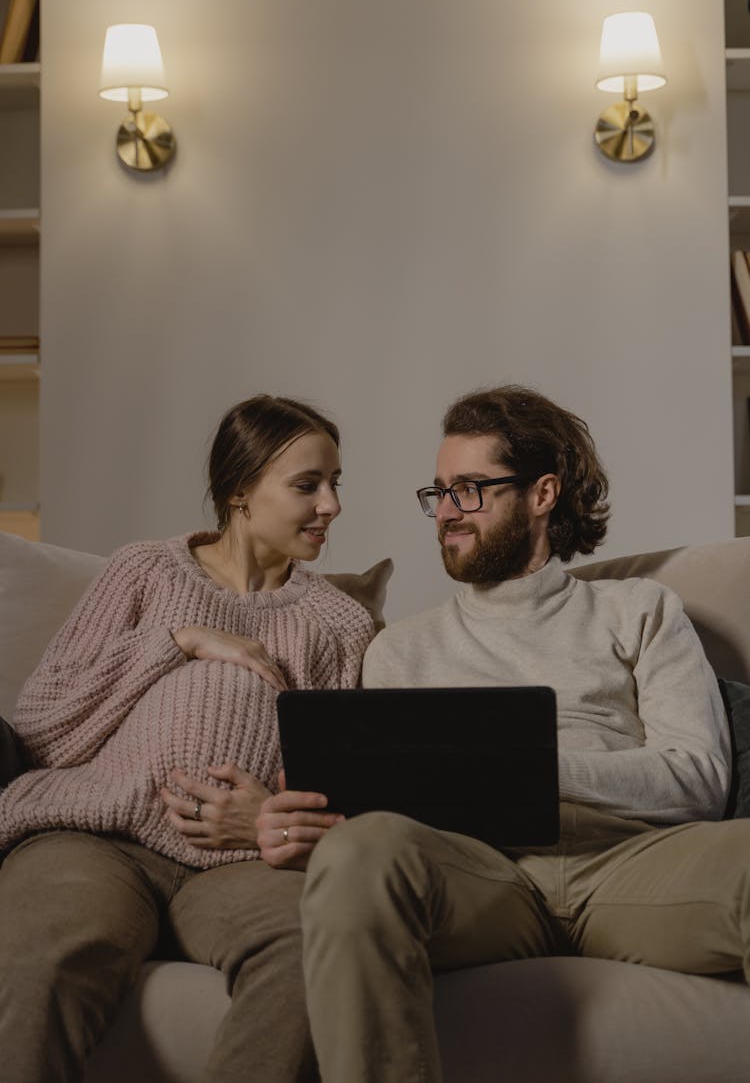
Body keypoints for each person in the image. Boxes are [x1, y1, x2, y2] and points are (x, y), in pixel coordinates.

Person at [256, 384, 748, 1083]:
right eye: (439, 492)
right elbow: (384, 820)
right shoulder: (399, 650)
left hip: (629, 866)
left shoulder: (638, 609)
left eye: (470, 489)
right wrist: (306, 822)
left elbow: (698, 778)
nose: (447, 512)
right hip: (482, 880)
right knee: (360, 849)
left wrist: (534, 767)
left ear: (542, 493)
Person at [0, 394, 375, 1083]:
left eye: (335, 483)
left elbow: (346, 788)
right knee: (40, 961)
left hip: (244, 863)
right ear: (239, 489)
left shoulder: (340, 624)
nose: (332, 505)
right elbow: (43, 723)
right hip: (97, 837)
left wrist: (268, 815)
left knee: (315, 951)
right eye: (307, 485)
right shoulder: (144, 570)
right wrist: (180, 640)